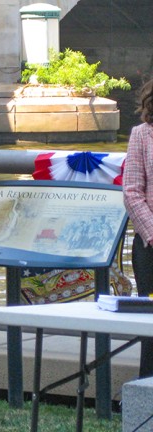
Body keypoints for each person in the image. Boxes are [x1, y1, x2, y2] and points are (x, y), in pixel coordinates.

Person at [122, 78, 153, 379]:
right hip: (150, 249)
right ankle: (147, 395)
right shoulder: (141, 135)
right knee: (152, 328)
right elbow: (131, 191)